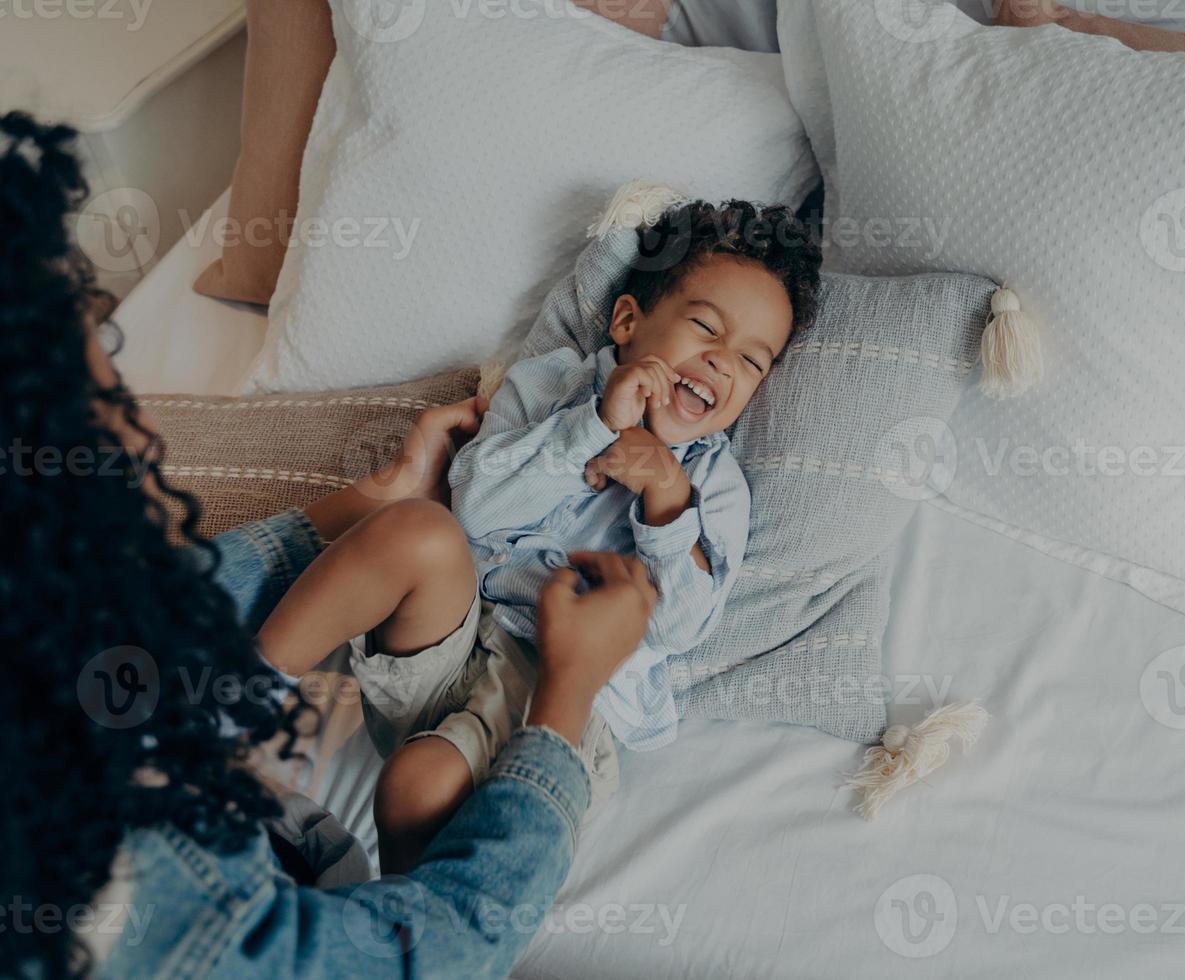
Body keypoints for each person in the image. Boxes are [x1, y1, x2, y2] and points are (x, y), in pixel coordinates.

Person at [0, 100, 655, 978]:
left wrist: (360, 504)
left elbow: (116, 627)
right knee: (418, 780)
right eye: (103, 401)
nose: (133, 419)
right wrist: (564, 701)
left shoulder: (31, 629)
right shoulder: (124, 887)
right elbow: (419, 955)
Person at [255, 201, 823, 871]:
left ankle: (404, 904)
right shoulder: (552, 386)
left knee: (417, 784)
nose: (722, 363)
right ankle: (236, 709)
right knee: (415, 527)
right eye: (705, 327)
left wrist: (667, 500)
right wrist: (595, 427)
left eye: (753, 362)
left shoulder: (714, 489)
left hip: (555, 700)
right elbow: (477, 511)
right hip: (447, 638)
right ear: (628, 322)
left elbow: (677, 628)